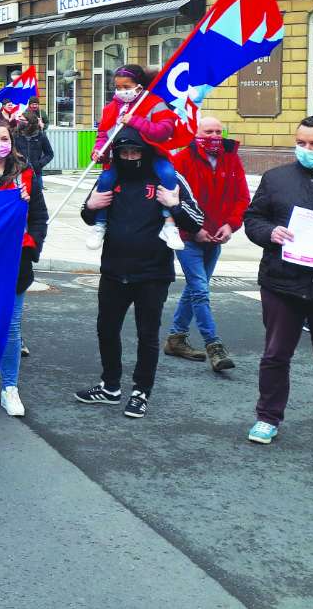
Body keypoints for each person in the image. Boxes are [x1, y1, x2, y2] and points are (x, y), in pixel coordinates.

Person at [75, 126, 204, 419]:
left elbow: (197, 220)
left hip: (152, 273)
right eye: (124, 152)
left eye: (135, 151)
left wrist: (175, 205)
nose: (130, 157)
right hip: (113, 271)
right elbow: (89, 215)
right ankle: (110, 387)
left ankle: (141, 391)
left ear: (145, 151)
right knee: (106, 329)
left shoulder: (165, 176)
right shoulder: (111, 177)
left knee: (147, 335)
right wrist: (89, 206)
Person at [243, 116, 313, 455]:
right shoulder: (276, 178)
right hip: (282, 282)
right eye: (300, 143)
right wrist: (268, 233)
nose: (305, 150)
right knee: (276, 354)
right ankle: (268, 418)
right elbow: (253, 218)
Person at [0, 117, 48, 417]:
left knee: (12, 328)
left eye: (4, 139)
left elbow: (39, 215)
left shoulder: (25, 173)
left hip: (16, 261)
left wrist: (34, 245)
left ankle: (10, 387)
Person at [165, 116, 248, 372]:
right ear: (196, 133)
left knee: (194, 289)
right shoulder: (180, 161)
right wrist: (195, 229)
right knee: (200, 290)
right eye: (208, 131)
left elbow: (242, 197)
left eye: (217, 131)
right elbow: (174, 202)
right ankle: (214, 345)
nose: (213, 136)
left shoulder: (231, 158)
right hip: (190, 238)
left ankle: (176, 338)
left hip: (217, 237)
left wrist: (230, 225)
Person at [86, 64, 182, 251]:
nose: (122, 91)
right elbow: (103, 135)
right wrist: (99, 151)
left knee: (168, 174)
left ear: (139, 85)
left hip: (151, 154)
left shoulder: (155, 103)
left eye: (127, 87)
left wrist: (135, 121)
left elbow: (164, 130)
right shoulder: (110, 108)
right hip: (120, 157)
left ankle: (169, 225)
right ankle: (100, 224)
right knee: (105, 179)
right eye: (118, 87)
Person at [14, 110, 55, 176]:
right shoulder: (15, 135)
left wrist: (39, 164)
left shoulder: (40, 136)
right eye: (19, 120)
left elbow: (49, 154)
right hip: (19, 173)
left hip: (36, 173)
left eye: (22, 120)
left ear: (30, 122)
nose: (20, 122)